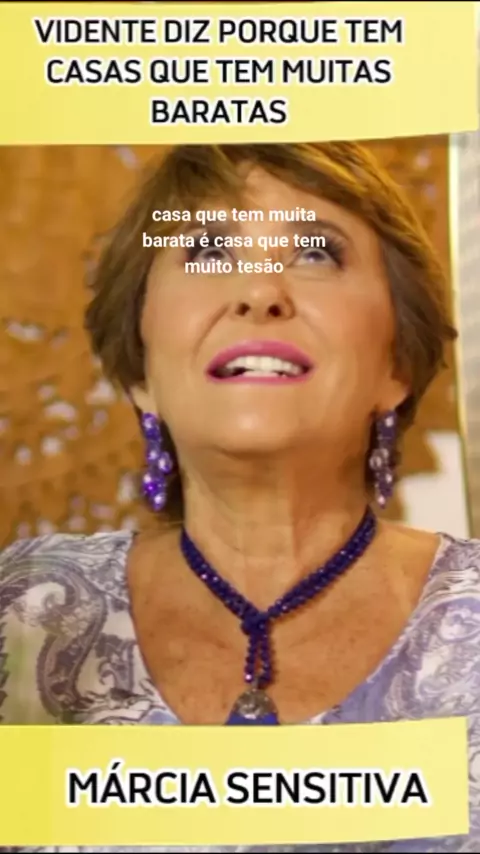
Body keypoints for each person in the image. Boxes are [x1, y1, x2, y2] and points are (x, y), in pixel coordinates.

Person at [0, 141, 477, 853]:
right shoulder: (23, 608)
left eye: (316, 252)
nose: (259, 292)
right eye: (208, 252)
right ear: (141, 370)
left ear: (397, 365)